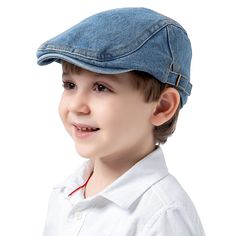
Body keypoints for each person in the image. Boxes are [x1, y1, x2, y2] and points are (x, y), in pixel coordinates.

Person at [36, 7, 205, 236]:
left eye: (101, 87)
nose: (76, 106)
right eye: (70, 85)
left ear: (162, 106)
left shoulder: (162, 215)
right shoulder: (64, 194)